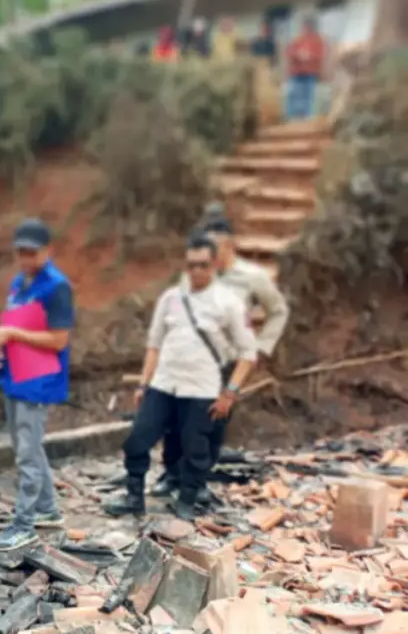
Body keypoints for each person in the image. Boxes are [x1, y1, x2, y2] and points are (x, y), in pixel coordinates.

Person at [104, 233, 258, 522]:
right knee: (138, 439)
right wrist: (143, 383)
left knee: (195, 447)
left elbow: (248, 353)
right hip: (164, 383)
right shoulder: (171, 298)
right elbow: (154, 344)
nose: (197, 271)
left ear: (213, 265)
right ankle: (133, 496)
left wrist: (230, 393)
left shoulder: (229, 303)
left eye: (203, 264)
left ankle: (187, 500)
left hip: (202, 388)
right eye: (191, 265)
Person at [153, 212, 290, 501]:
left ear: (230, 246)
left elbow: (278, 311)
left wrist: (262, 346)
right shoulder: (195, 274)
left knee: (212, 423)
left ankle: (198, 480)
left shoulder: (252, 277)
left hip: (225, 363)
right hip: (187, 360)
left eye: (216, 247)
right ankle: (172, 473)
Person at [0, 219, 74, 552]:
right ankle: (48, 510)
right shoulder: (19, 282)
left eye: (31, 253)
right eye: (20, 252)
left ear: (48, 251)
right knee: (30, 446)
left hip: (38, 380)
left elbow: (58, 339)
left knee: (26, 452)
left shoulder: (56, 287)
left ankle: (24, 524)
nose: (24, 258)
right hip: (14, 375)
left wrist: (12, 335)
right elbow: (11, 322)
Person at [285, 16, 326, 120]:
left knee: (308, 97)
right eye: (304, 27)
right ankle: (292, 117)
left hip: (310, 73)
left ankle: (307, 118)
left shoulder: (317, 40)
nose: (306, 29)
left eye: (308, 27)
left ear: (311, 27)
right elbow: (289, 53)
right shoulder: (297, 39)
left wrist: (309, 56)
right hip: (296, 73)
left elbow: (319, 55)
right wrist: (298, 55)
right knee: (294, 95)